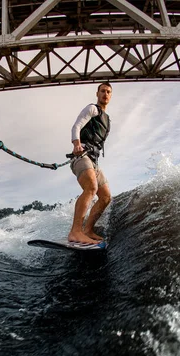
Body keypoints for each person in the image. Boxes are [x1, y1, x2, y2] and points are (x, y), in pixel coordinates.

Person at [68, 82, 112, 244]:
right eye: (102, 91)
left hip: (94, 161)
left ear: (110, 95)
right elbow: (77, 125)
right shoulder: (92, 109)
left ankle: (88, 230)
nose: (105, 94)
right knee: (91, 187)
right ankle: (75, 232)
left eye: (108, 92)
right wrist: (76, 144)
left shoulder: (107, 120)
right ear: (97, 93)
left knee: (106, 197)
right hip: (81, 156)